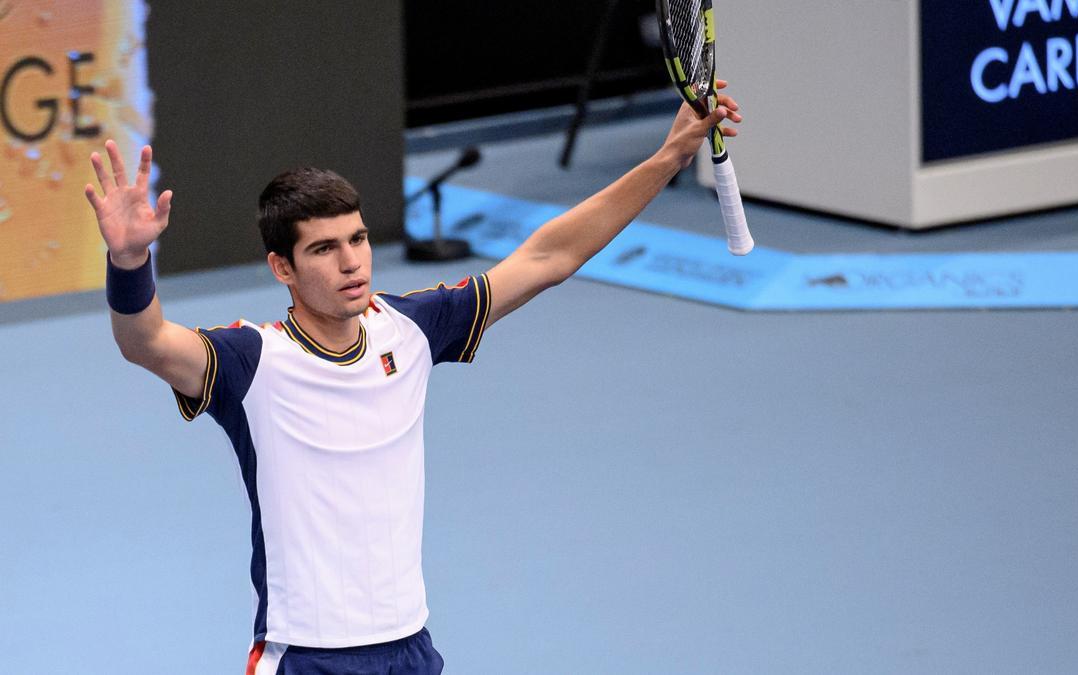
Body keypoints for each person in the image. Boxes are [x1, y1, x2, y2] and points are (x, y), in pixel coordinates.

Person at [86, 83, 741, 675]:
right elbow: (142, 340)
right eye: (323, 248)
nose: (350, 262)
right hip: (305, 658)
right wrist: (130, 257)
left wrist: (665, 161)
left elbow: (550, 256)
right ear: (281, 267)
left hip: (410, 649)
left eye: (358, 239)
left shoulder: (413, 328)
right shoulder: (249, 363)